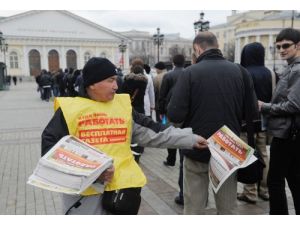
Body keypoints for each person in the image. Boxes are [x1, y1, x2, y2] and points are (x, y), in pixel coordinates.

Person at [41, 57, 208, 215]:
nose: (116, 86)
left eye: (115, 79)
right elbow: (51, 150)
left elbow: (154, 132)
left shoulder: (122, 107)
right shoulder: (70, 110)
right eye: (110, 80)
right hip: (82, 199)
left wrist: (191, 139)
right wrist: (92, 172)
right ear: (92, 84)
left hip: (120, 194)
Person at [167, 31, 257, 214]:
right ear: (217, 46)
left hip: (197, 146)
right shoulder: (240, 71)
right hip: (228, 148)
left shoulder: (189, 72)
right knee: (227, 207)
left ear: (197, 48)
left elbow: (175, 114)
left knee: (194, 206)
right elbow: (252, 111)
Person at [258, 28, 300, 215]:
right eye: (278, 47)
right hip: (287, 133)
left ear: (298, 46)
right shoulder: (291, 68)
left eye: (286, 46)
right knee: (293, 178)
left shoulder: (297, 70)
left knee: (275, 180)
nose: (282, 49)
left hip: (287, 134)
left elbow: (293, 105)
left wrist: (264, 106)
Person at [237, 42, 272, 204]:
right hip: (264, 122)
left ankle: (250, 192)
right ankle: (264, 189)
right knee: (264, 153)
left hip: (246, 123)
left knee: (248, 156)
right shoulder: (271, 73)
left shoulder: (243, 72)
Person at [159, 54, 186, 206]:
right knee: (182, 137)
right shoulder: (189, 73)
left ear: (173, 63)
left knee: (170, 135)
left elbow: (162, 95)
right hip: (185, 114)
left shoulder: (169, 76)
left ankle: (170, 158)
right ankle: (179, 155)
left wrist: (161, 110)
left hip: (171, 111)